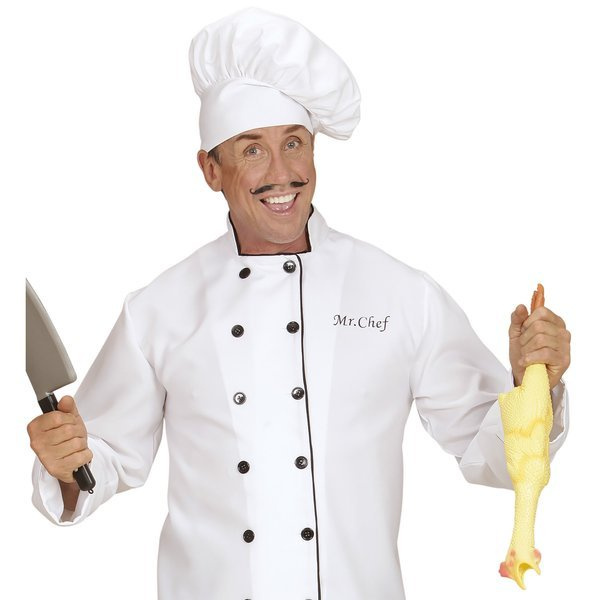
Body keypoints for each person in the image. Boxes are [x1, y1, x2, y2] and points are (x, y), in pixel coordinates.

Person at [26, 7, 571, 600]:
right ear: (210, 168)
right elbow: (97, 463)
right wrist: (66, 463)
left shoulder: (401, 294)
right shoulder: (159, 309)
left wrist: (534, 386)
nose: (282, 173)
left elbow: (490, 451)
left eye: (294, 143)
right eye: (251, 150)